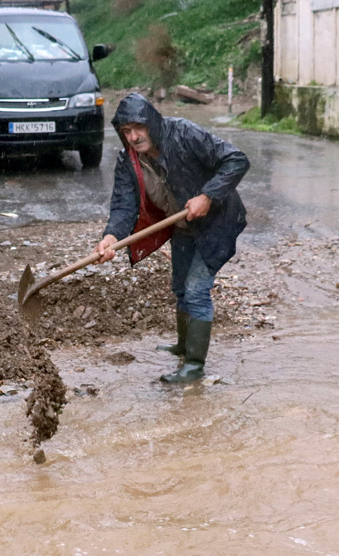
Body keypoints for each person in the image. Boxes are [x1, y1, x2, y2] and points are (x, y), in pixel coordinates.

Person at [93, 93, 250, 383]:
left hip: (217, 222)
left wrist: (207, 196)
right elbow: (124, 204)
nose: (134, 136)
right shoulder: (129, 160)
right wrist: (111, 236)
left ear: (152, 123)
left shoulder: (184, 134)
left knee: (195, 290)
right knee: (179, 287)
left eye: (139, 127)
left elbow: (236, 160)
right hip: (182, 226)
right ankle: (183, 344)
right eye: (126, 131)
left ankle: (193, 366)